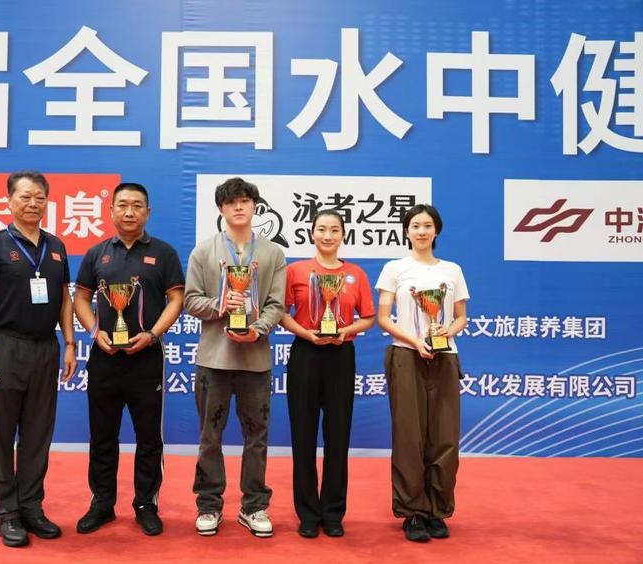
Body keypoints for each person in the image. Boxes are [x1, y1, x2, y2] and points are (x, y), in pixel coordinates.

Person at [0, 171, 77, 548]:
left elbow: (65, 299)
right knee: (2, 436)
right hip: (6, 347)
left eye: (40, 198)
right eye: (25, 197)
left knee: (37, 434)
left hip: (46, 348)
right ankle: (7, 513)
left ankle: (31, 506)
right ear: (9, 201)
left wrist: (70, 343)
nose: (33, 204)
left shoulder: (57, 246)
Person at [73, 182, 184, 536]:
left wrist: (153, 334)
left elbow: (177, 299)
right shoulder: (97, 254)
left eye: (137, 205)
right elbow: (81, 299)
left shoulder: (163, 253)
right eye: (122, 205)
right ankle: (102, 503)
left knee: (148, 437)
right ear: (111, 211)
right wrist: (96, 331)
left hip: (146, 358)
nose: (129, 211)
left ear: (148, 212)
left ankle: (146, 503)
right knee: (101, 435)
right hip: (104, 357)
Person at [184, 177, 286, 538]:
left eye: (245, 201)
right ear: (221, 209)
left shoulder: (273, 253)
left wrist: (258, 328)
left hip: (256, 359)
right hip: (214, 360)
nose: (239, 207)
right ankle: (208, 504)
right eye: (231, 202)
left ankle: (254, 506)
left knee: (256, 436)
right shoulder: (203, 252)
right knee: (209, 436)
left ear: (255, 206)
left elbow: (276, 304)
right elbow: (190, 300)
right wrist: (219, 304)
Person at [375, 204, 469, 542]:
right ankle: (413, 512)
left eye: (428, 225)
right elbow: (383, 317)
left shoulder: (452, 270)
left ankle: (437, 511)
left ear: (436, 231)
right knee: (409, 436)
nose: (421, 231)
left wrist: (447, 331)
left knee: (444, 436)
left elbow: (461, 317)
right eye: (415, 225)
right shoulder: (394, 269)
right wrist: (415, 341)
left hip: (445, 356)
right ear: (406, 231)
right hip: (405, 355)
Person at [280, 210, 375, 538]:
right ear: (312, 233)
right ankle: (308, 513)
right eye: (321, 229)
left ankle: (333, 512)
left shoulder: (355, 274)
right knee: (303, 436)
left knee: (338, 437)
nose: (328, 235)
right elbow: (282, 313)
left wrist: (346, 330)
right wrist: (305, 333)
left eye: (334, 230)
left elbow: (369, 317)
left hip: (340, 356)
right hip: (305, 354)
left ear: (343, 235)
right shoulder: (295, 270)